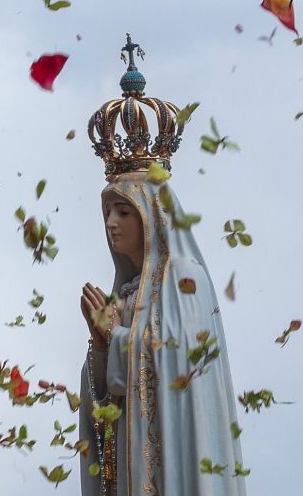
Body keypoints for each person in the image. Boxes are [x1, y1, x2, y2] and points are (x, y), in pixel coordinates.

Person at [79, 35, 247, 496]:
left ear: (152, 217)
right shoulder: (127, 293)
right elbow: (108, 393)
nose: (112, 223)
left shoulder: (185, 281)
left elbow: (177, 367)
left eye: (124, 211)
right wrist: (100, 349)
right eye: (108, 212)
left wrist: (113, 338)